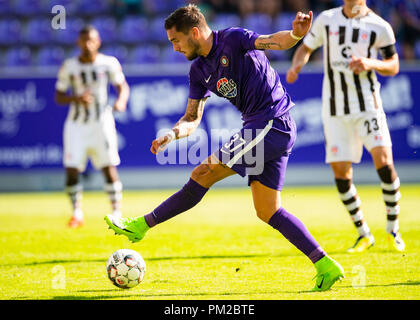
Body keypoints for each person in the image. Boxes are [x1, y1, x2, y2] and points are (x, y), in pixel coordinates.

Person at [105, 4, 344, 291]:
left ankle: (142, 225)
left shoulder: (233, 38)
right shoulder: (198, 70)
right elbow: (192, 119)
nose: (175, 48)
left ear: (194, 32)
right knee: (268, 210)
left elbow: (275, 41)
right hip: (265, 128)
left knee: (202, 173)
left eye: (176, 41)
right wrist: (172, 134)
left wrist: (296, 33)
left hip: (271, 122)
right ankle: (325, 264)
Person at [286, 0, 405, 252]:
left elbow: (393, 64)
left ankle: (392, 230)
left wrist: (370, 63)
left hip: (367, 105)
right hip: (335, 108)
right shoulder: (326, 19)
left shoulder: (379, 26)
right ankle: (363, 233)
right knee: (341, 173)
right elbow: (306, 47)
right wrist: (297, 65)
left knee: (384, 162)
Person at [55, 25, 130, 228]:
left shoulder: (108, 63)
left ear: (98, 42)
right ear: (78, 43)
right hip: (76, 125)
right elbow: (59, 95)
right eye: (84, 41)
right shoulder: (69, 66)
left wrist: (121, 101)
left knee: (108, 167)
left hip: (101, 122)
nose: (88, 45)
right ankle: (77, 213)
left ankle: (116, 212)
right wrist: (76, 98)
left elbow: (122, 86)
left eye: (92, 41)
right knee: (72, 169)